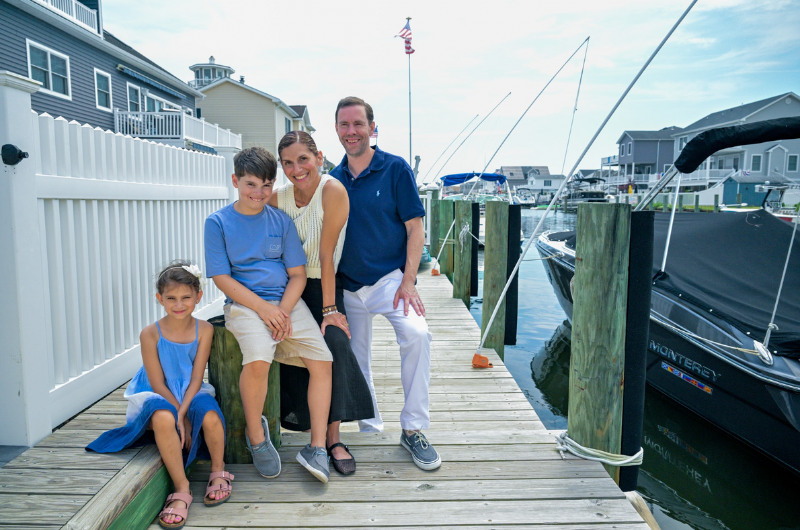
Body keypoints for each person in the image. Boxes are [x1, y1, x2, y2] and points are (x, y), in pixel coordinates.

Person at [204, 146, 334, 483]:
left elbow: (297, 275)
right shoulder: (217, 222)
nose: (258, 194)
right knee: (259, 356)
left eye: (265, 186)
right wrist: (264, 310)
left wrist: (283, 311)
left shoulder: (280, 220)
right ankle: (256, 435)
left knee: (323, 360)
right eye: (250, 185)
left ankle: (317, 447)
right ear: (235, 181)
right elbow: (222, 278)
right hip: (245, 306)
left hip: (286, 304)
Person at [330, 96, 441, 470]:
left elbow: (415, 228)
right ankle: (369, 427)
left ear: (372, 128)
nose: (351, 132)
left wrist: (409, 281)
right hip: (347, 286)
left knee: (418, 334)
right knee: (356, 359)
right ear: (337, 130)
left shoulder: (395, 169)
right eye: (344, 125)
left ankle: (412, 429)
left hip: (390, 281)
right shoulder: (332, 177)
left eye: (358, 124)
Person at [87, 261, 231, 529]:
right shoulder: (150, 333)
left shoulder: (205, 330)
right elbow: (156, 382)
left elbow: (197, 378)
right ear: (159, 299)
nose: (179, 304)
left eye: (186, 297)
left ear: (199, 297)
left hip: (191, 388)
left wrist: (187, 413)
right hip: (157, 391)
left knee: (210, 416)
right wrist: (179, 416)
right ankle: (182, 487)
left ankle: (218, 470)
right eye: (171, 298)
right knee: (165, 419)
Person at [269, 131, 375, 475]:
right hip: (289, 289)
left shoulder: (332, 190)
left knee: (335, 342)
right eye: (287, 162)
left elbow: (326, 256)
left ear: (318, 157)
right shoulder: (277, 198)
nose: (296, 168)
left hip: (326, 284)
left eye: (303, 159)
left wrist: (330, 311)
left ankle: (332, 437)